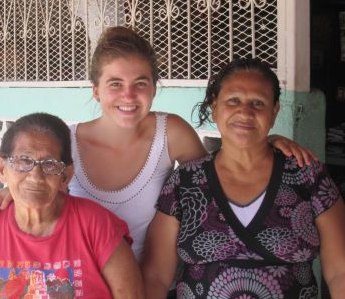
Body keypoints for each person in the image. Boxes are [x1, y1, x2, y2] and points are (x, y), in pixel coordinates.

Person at [0, 27, 315, 262]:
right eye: (115, 84)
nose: (128, 95)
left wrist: (265, 139)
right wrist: (9, 191)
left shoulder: (171, 133)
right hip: (79, 283)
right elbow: (33, 177)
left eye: (140, 83)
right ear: (96, 90)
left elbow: (219, 172)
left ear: (154, 87)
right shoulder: (63, 140)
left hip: (154, 282)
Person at [141, 58, 345, 298]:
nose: (245, 112)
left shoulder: (308, 176)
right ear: (215, 108)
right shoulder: (185, 182)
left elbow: (339, 272)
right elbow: (155, 276)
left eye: (258, 103)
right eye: (233, 100)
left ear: (274, 111)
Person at [0, 113, 143, 298]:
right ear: (3, 169)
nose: (35, 177)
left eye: (50, 164)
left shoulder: (97, 226)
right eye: (24, 161)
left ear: (65, 176)